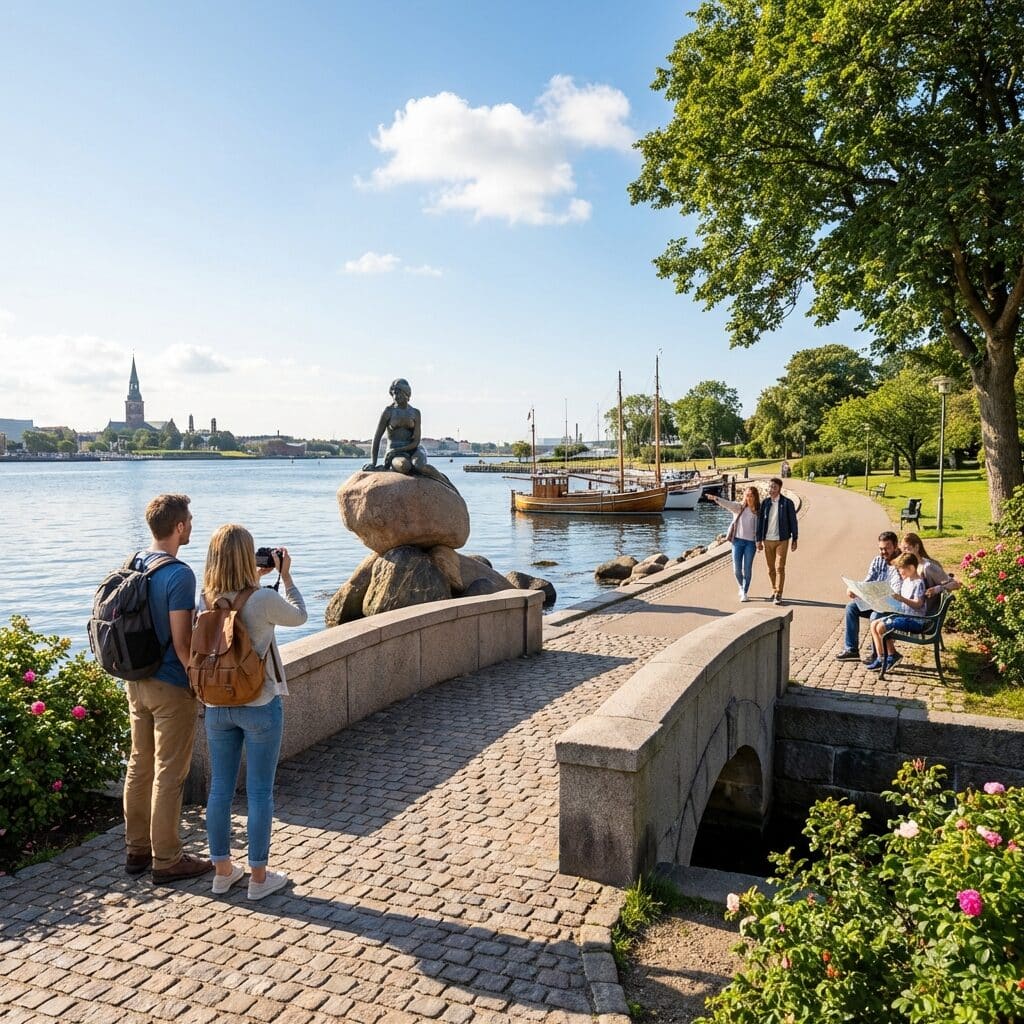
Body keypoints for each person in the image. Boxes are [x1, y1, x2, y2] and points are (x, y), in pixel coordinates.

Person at [201, 525, 307, 900]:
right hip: (259, 704)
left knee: (220, 790)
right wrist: (285, 575)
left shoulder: (206, 598)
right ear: (249, 557)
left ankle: (222, 872)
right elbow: (299, 616)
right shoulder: (261, 599)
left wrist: (255, 581)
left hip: (216, 707)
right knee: (260, 793)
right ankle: (259, 879)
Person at [123, 494, 212, 883]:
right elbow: (181, 643)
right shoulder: (179, 574)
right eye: (189, 520)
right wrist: (199, 683)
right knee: (169, 773)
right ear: (178, 527)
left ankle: (136, 850)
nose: (191, 525)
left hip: (135, 680)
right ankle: (168, 859)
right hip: (170, 685)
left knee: (138, 765)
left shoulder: (134, 562)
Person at [363, 378, 455, 489]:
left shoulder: (415, 413)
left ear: (407, 394)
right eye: (394, 393)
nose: (396, 396)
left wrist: (400, 450)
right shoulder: (388, 412)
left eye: (399, 393)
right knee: (404, 466)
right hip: (395, 454)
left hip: (413, 449)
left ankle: (445, 483)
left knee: (420, 466)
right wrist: (373, 462)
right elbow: (377, 437)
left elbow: (416, 441)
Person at [835, 530, 901, 661]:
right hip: (875, 601)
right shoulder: (877, 560)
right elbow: (868, 581)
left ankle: (878, 653)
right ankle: (851, 649)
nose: (884, 552)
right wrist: (854, 590)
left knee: (875, 615)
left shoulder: (900, 563)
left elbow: (897, 591)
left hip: (891, 605)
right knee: (851, 607)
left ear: (895, 546)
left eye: (887, 548)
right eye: (881, 549)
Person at [866, 552, 926, 671]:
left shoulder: (918, 583)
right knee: (874, 624)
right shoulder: (907, 581)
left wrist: (901, 599)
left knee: (881, 627)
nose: (900, 572)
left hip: (915, 620)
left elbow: (919, 604)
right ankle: (881, 657)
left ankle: (892, 655)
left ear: (911, 568)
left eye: (901, 570)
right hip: (904, 616)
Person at [709, 485, 761, 602]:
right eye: (747, 495)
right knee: (737, 569)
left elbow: (761, 528)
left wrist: (759, 542)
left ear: (755, 497)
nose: (749, 498)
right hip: (737, 541)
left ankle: (745, 591)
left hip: (750, 544)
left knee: (747, 568)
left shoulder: (758, 511)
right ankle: (741, 586)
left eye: (751, 496)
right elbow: (727, 504)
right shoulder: (739, 507)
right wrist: (716, 498)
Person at [756, 477, 798, 606]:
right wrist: (758, 540)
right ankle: (774, 589)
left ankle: (779, 593)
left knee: (780, 567)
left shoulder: (787, 503)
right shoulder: (765, 503)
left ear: (779, 488)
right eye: (770, 487)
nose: (771, 489)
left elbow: (793, 522)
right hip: (767, 540)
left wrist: (795, 538)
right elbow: (760, 522)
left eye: (774, 487)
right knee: (770, 569)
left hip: (782, 540)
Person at [900, 531, 961, 613]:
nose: (904, 553)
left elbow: (955, 584)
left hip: (924, 613)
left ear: (917, 547)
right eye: (903, 549)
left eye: (907, 549)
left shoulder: (928, 567)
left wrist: (937, 589)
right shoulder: (908, 566)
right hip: (908, 610)